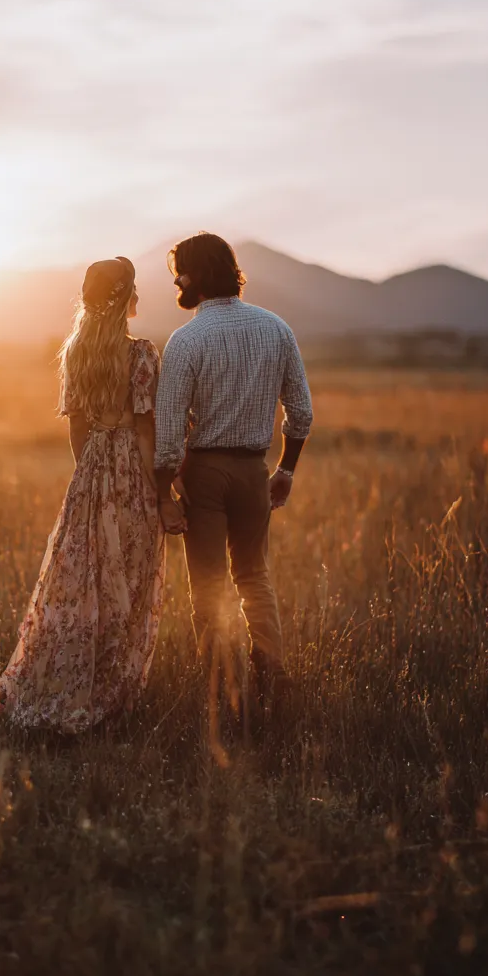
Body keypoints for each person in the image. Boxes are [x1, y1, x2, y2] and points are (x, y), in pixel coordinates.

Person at [0, 256, 164, 733]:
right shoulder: (142, 355)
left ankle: (70, 681)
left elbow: (78, 431)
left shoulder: (75, 352)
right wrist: (157, 489)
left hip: (90, 472)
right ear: (125, 298)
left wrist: (89, 480)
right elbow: (147, 429)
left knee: (83, 582)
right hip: (131, 470)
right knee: (127, 583)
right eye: (133, 289)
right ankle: (114, 692)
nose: (138, 297)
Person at [153, 232, 313, 697]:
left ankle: (220, 688)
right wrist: (285, 470)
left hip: (203, 474)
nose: (176, 280)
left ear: (197, 276)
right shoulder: (277, 328)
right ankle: (272, 678)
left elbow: (166, 439)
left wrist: (165, 493)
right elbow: (301, 412)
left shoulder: (185, 341)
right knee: (254, 577)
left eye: (179, 271)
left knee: (207, 585)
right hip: (254, 472)